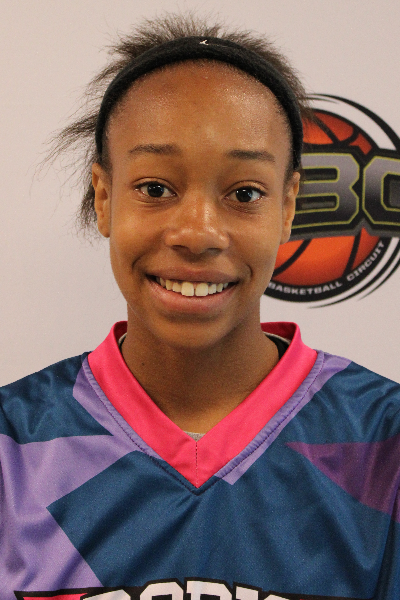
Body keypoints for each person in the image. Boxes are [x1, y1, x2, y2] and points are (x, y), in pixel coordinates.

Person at [1, 13, 400, 600]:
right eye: (155, 189)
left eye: (245, 193)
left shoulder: (384, 444)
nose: (197, 232)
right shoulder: (12, 448)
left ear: (288, 207)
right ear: (104, 197)